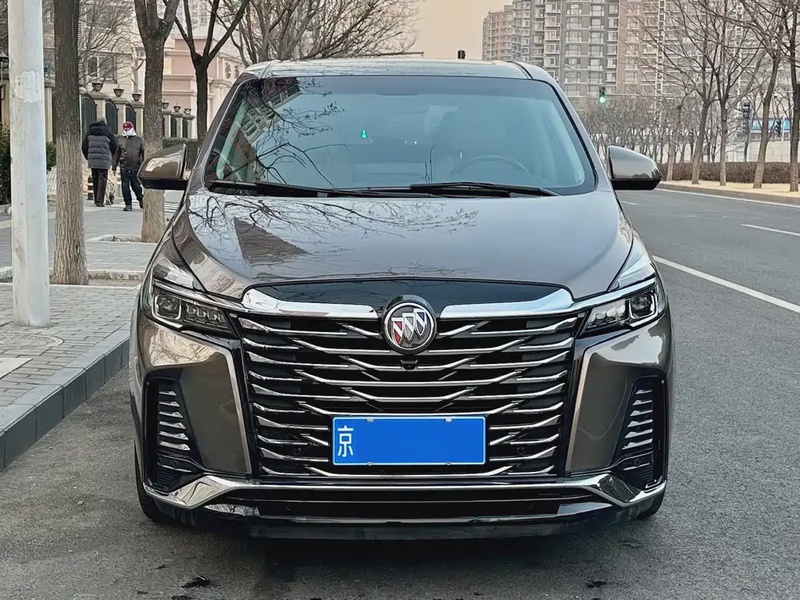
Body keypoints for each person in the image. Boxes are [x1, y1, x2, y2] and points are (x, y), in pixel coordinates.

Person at [81, 117, 118, 207]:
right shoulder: (108, 134)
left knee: (95, 178)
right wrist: (113, 159)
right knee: (102, 179)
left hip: (93, 160)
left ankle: (96, 199)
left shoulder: (89, 133)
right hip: (104, 160)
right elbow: (114, 148)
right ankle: (100, 200)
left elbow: (84, 147)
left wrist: (88, 157)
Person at [113, 121, 145, 212]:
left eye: (128, 129)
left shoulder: (139, 140)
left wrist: (144, 165)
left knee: (136, 186)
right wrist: (114, 166)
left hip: (136, 167)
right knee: (125, 187)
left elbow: (143, 153)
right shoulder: (121, 140)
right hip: (124, 167)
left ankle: (140, 198)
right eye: (125, 129)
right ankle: (128, 204)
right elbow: (117, 154)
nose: (126, 131)